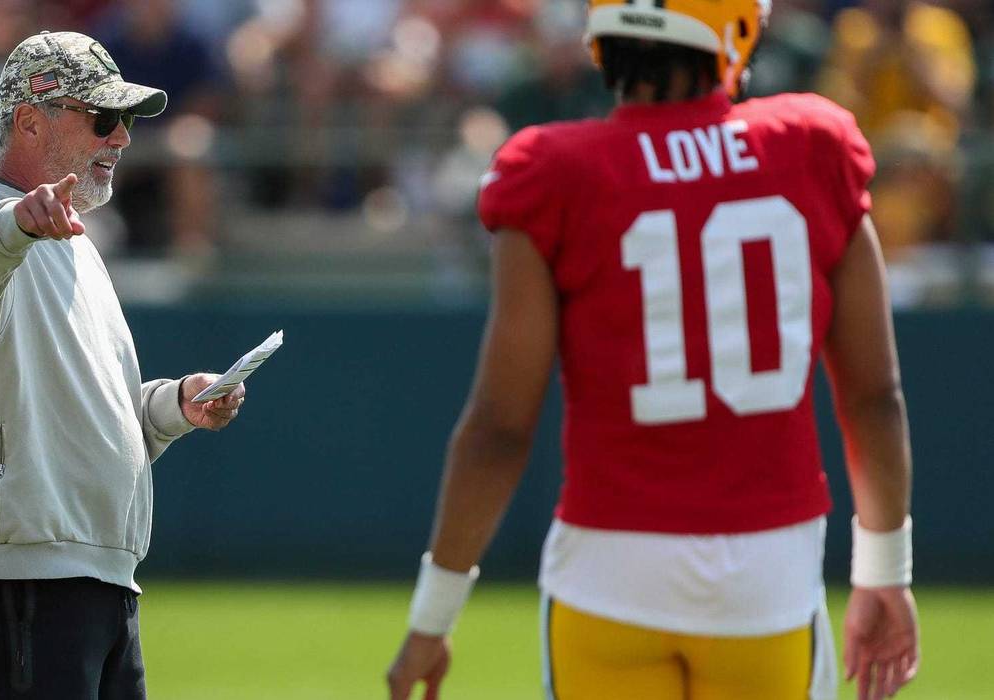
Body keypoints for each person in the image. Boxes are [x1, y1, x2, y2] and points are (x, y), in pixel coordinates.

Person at [386, 2, 919, 700]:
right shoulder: (810, 143)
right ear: (736, 27)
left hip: (609, 571)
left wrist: (433, 616)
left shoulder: (551, 168)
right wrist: (885, 569)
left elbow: (498, 427)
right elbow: (872, 394)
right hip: (765, 576)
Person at [0, 31, 247, 699]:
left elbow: (99, 411)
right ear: (30, 121)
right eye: (102, 118)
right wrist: (15, 225)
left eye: (124, 121)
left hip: (99, 579)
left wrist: (171, 406)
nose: (120, 138)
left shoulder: (79, 247)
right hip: (18, 583)